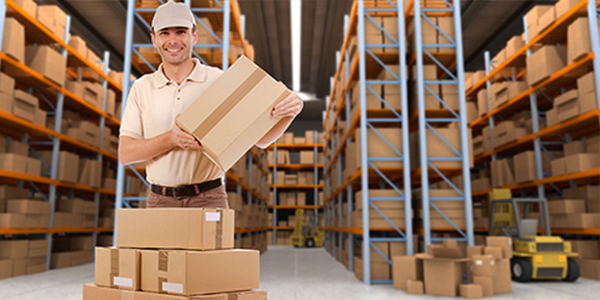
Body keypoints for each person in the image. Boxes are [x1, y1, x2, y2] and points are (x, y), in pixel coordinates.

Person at [118, 1, 303, 209]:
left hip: (208, 198)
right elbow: (126, 153)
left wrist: (289, 113)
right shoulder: (142, 88)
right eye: (164, 33)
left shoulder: (219, 81)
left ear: (194, 36)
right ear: (154, 39)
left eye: (181, 32)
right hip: (160, 200)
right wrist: (171, 138)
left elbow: (261, 140)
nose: (173, 40)